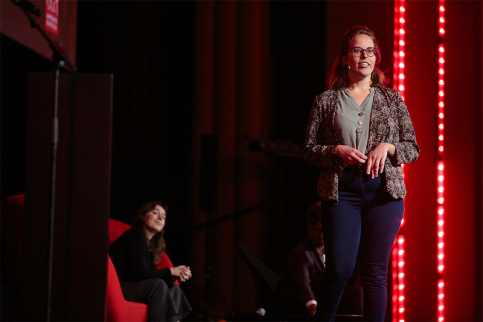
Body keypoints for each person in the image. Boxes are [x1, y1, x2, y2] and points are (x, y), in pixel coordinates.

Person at [303, 26, 419, 321]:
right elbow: (309, 150)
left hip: (383, 192)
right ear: (345, 58)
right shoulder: (326, 101)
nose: (364, 56)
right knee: (339, 269)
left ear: (376, 57)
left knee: (374, 272)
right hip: (343, 190)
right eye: (357, 50)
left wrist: (388, 147)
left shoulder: (393, 99)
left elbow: (412, 148)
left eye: (370, 50)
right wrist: (335, 151)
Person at [108, 201, 192, 321]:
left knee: (173, 288)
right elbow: (140, 275)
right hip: (118, 289)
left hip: (134, 287)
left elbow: (149, 276)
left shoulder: (150, 245)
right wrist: (171, 271)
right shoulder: (135, 236)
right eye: (155, 213)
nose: (160, 218)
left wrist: (175, 275)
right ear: (143, 216)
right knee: (158, 286)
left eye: (163, 217)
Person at [276, 201, 325, 316]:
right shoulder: (300, 253)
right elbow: (303, 284)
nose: (322, 235)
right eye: (318, 230)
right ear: (309, 227)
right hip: (302, 305)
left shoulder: (335, 248)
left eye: (325, 229)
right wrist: (313, 305)